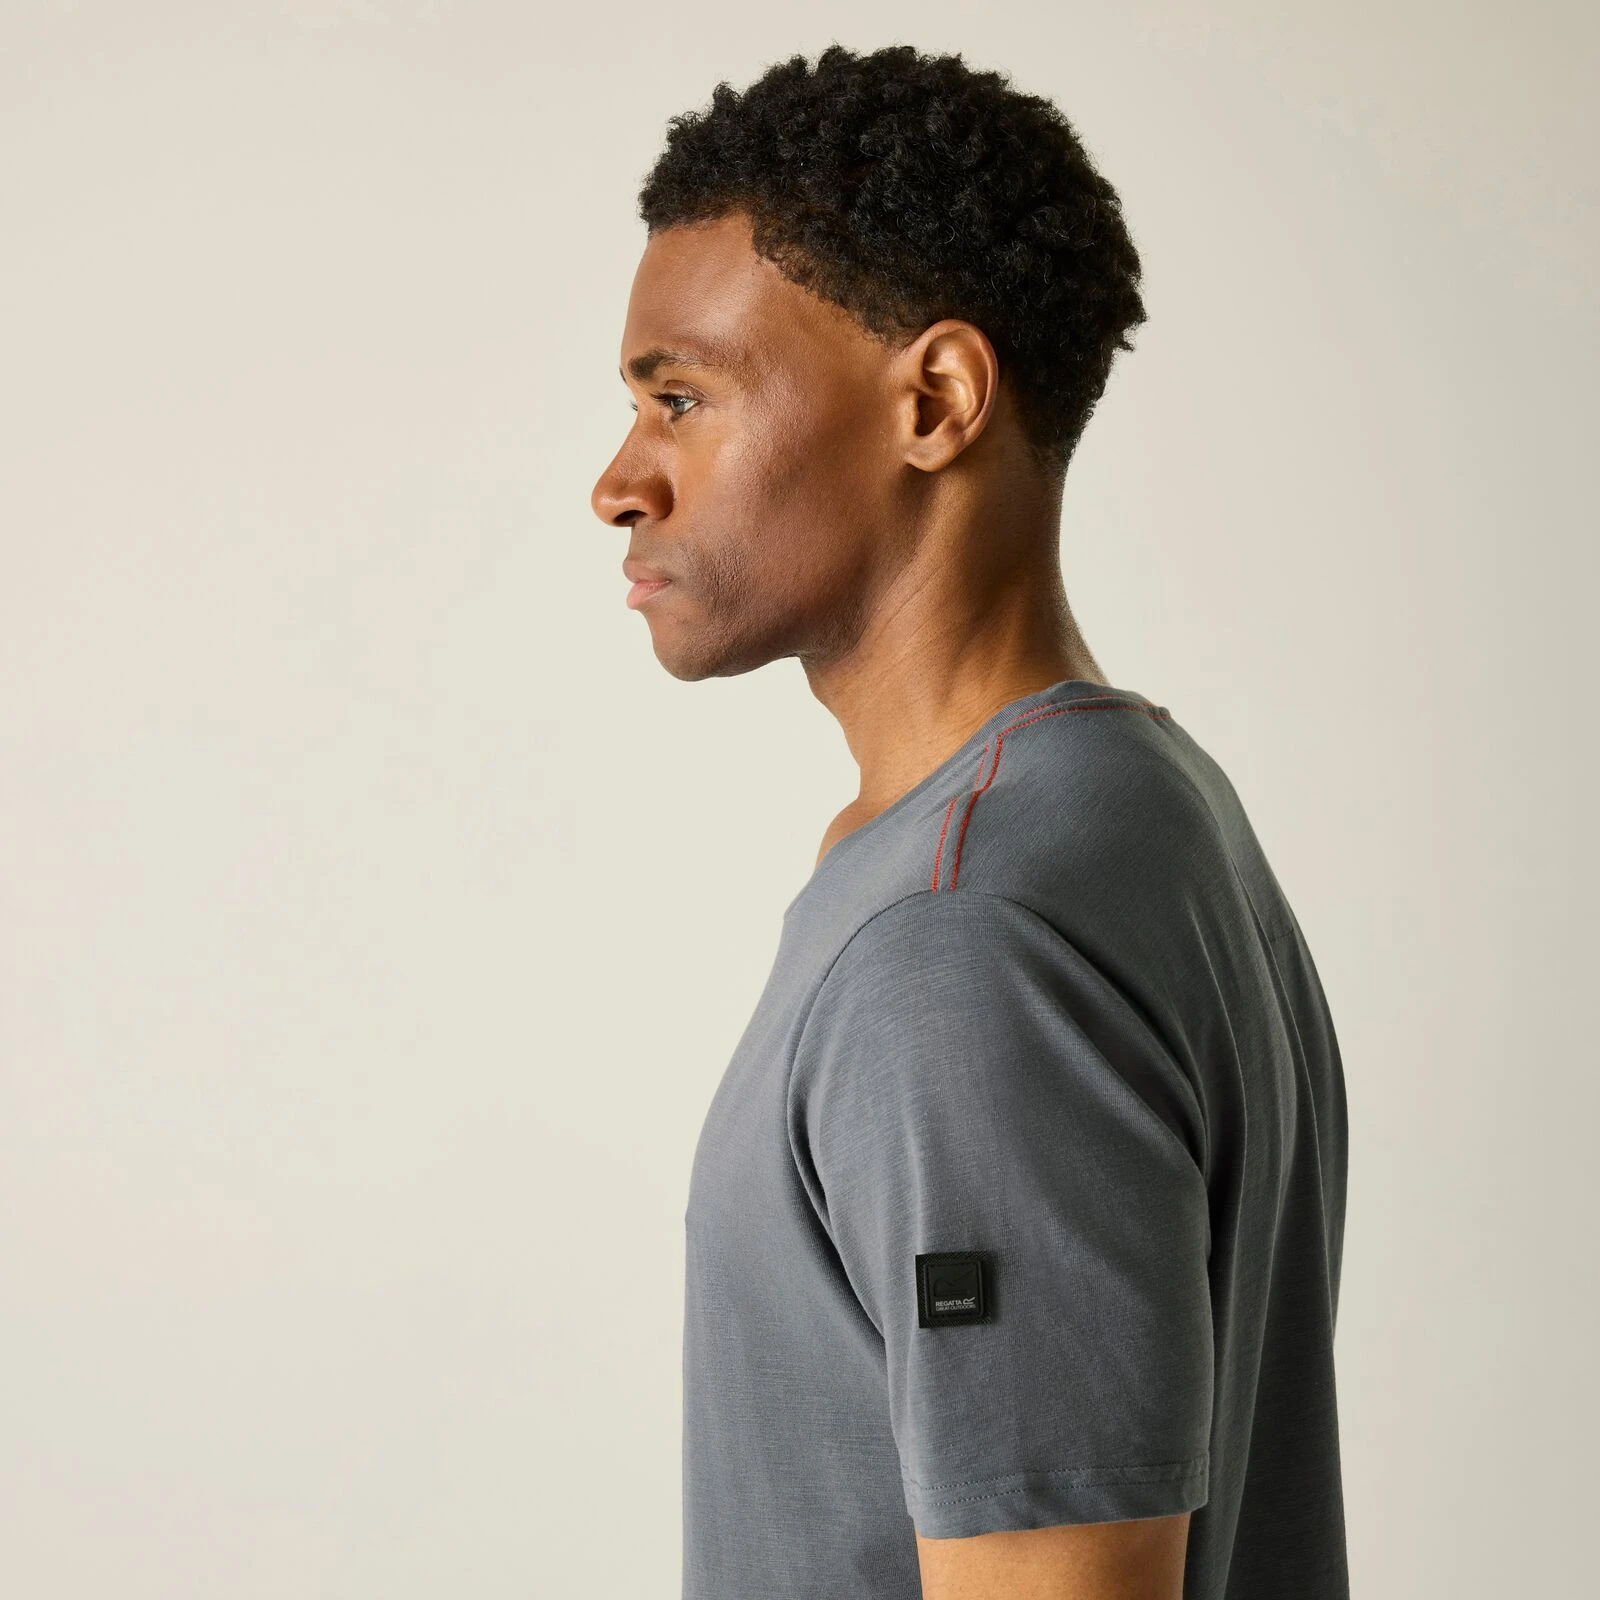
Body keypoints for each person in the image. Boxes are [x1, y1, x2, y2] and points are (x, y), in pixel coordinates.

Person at [590, 43, 1349, 1600]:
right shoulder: (1141, 814)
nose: (620, 481)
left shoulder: (960, 942)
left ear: (932, 400)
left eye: (681, 398)